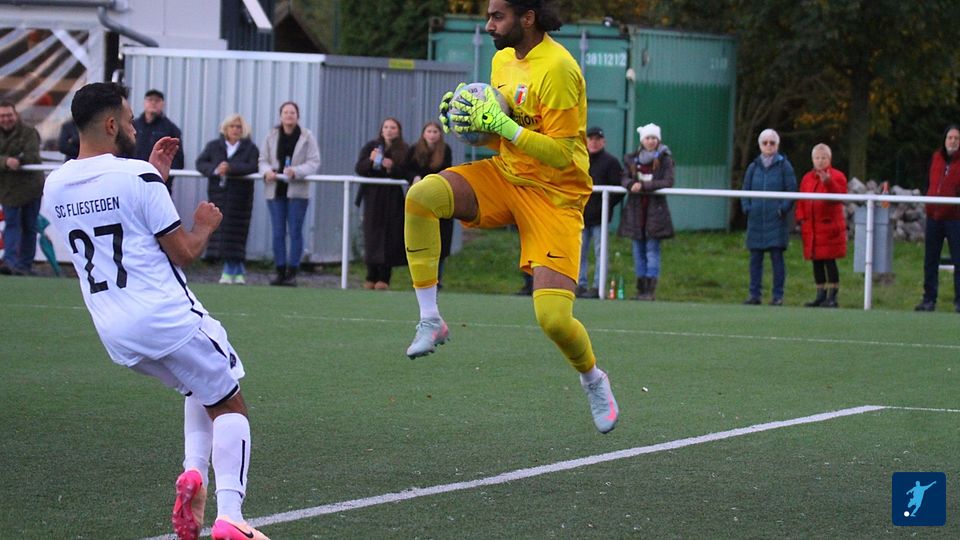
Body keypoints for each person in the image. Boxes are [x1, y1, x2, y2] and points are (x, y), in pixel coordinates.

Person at [40, 82, 270, 540]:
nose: (134, 128)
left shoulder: (56, 184)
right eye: (128, 121)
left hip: (114, 330)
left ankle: (194, 474)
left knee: (199, 387)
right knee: (230, 401)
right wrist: (204, 225)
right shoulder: (137, 177)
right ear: (111, 125)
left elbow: (113, 212)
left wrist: (153, 176)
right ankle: (231, 516)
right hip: (166, 316)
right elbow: (183, 252)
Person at [403, 0, 619, 434]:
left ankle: (593, 378)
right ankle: (431, 318)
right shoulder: (502, 60)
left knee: (553, 319)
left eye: (497, 16)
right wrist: (466, 123)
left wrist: (503, 127)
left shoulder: (559, 68)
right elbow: (501, 137)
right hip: (507, 175)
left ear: (528, 18)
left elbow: (561, 154)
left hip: (555, 196)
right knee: (422, 197)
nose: (488, 25)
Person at [258, 101, 321, 287]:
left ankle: (292, 271)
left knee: (295, 231)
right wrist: (267, 171)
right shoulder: (271, 136)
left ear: (297, 116)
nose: (289, 115)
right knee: (278, 232)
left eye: (292, 112)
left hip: (298, 192)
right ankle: (279, 270)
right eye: (285, 112)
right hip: (275, 191)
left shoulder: (307, 137)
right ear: (280, 116)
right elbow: (262, 159)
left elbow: (314, 162)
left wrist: (297, 171)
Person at [196, 114, 260, 285]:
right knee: (221, 232)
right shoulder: (213, 146)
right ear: (225, 128)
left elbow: (252, 166)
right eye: (232, 126)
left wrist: (231, 168)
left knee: (237, 233)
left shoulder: (250, 148)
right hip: (218, 195)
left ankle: (231, 269)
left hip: (240, 198)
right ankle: (234, 269)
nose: (235, 130)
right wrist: (216, 169)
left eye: (239, 127)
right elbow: (201, 163)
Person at [618, 123, 674, 301]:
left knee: (652, 251)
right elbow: (623, 177)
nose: (651, 141)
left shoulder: (665, 159)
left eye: (654, 138)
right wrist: (630, 184)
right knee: (638, 252)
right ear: (642, 140)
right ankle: (640, 289)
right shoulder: (631, 159)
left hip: (655, 212)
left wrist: (643, 186)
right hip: (636, 212)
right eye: (648, 138)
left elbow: (668, 181)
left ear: (658, 140)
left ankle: (650, 290)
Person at [741, 128, 797, 306]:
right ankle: (754, 294)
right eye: (765, 143)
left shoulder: (784, 166)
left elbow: (791, 190)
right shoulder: (753, 167)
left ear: (777, 145)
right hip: (756, 219)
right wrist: (747, 208)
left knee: (777, 259)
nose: (768, 146)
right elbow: (745, 190)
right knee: (755, 260)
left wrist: (782, 209)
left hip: (776, 220)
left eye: (772, 143)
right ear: (760, 145)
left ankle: (777, 296)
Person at [355, 117, 409, 290]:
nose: (389, 130)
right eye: (386, 127)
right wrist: (371, 161)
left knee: (390, 235)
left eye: (393, 127)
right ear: (381, 129)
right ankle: (371, 275)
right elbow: (359, 168)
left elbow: (407, 171)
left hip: (393, 197)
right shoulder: (371, 146)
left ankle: (384, 277)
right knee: (372, 234)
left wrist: (391, 167)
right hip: (373, 196)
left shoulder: (404, 149)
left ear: (398, 131)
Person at [795, 143, 847, 308]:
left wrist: (828, 182)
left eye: (823, 158)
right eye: (817, 158)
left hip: (829, 228)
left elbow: (839, 197)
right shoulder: (807, 178)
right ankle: (820, 294)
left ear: (829, 159)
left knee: (829, 262)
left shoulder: (837, 176)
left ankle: (832, 296)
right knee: (816, 262)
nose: (820, 161)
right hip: (811, 228)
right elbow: (802, 200)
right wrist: (800, 217)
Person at [915, 125, 960, 312]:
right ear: (945, 139)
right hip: (934, 216)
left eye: (956, 138)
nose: (953, 141)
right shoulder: (936, 158)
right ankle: (929, 299)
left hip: (955, 218)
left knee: (958, 259)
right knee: (930, 260)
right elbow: (929, 181)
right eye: (950, 137)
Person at [575, 126, 623, 299]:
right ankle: (580, 285)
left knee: (600, 253)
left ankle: (597, 287)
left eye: (597, 139)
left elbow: (618, 190)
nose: (594, 142)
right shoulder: (580, 159)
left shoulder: (611, 162)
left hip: (600, 218)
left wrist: (605, 206)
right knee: (579, 253)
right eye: (591, 139)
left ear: (604, 142)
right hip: (581, 216)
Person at [406, 121, 453, 287]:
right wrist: (414, 177)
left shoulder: (445, 150)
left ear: (440, 134)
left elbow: (447, 170)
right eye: (429, 131)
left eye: (435, 132)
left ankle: (437, 280)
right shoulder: (414, 149)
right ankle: (420, 279)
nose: (432, 135)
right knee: (419, 241)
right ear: (423, 134)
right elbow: (406, 168)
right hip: (419, 200)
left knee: (440, 242)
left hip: (438, 200)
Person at [0, 100, 43, 276]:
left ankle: (24, 265)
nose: (6, 119)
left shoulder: (29, 132)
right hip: (7, 190)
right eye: (2, 116)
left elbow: (32, 155)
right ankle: (10, 262)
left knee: (29, 226)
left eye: (9, 115)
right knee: (11, 225)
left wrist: (19, 160)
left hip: (31, 188)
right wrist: (6, 161)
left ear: (16, 115)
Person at [133, 89, 184, 194]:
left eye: (157, 100)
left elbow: (178, 160)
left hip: (159, 183)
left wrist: (161, 174)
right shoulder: (133, 126)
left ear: (163, 104)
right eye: (150, 99)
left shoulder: (171, 129)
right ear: (144, 102)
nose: (153, 103)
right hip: (133, 180)